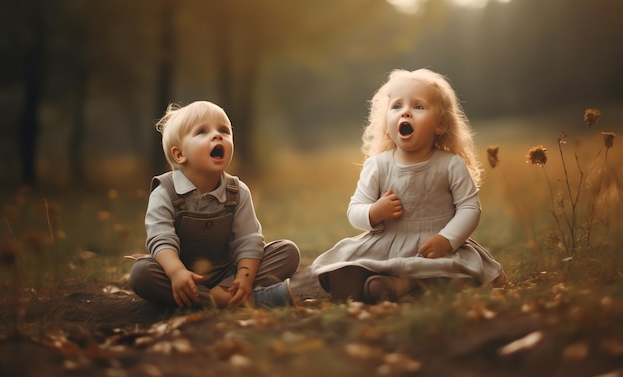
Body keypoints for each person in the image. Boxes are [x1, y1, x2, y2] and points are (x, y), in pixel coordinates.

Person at [309, 68, 505, 304]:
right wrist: (374, 212)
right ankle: (361, 279)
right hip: (386, 244)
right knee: (353, 260)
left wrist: (447, 239)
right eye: (397, 106)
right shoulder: (378, 165)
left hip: (433, 248)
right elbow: (355, 209)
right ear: (386, 120)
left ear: (441, 124)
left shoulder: (450, 165)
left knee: (446, 270)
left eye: (418, 107)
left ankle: (399, 286)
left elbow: (470, 208)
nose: (406, 113)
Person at [129, 101, 300, 308]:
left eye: (224, 131)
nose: (217, 135)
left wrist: (244, 278)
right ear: (179, 154)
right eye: (202, 132)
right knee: (142, 274)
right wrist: (177, 273)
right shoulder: (165, 191)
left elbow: (249, 240)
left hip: (229, 273)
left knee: (287, 252)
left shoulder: (237, 192)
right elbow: (160, 237)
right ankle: (242, 300)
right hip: (181, 272)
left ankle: (221, 297)